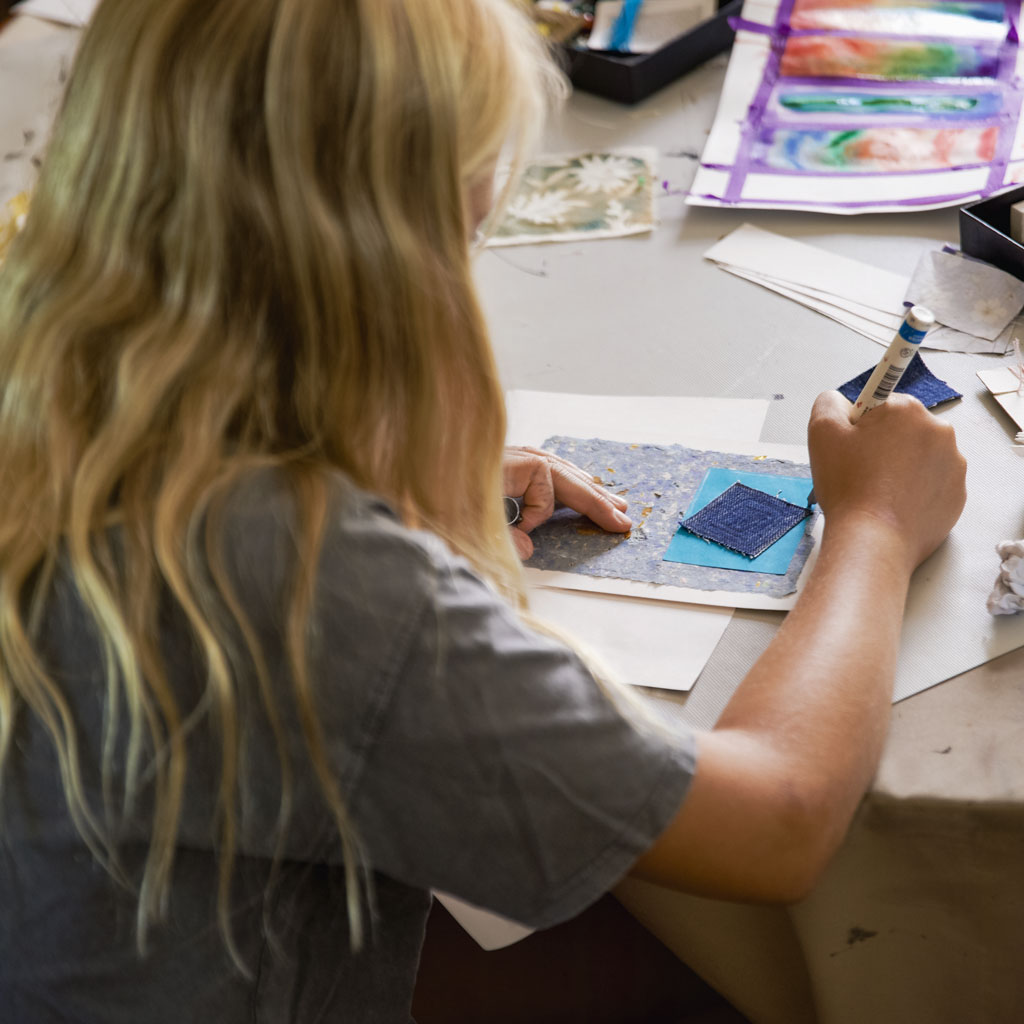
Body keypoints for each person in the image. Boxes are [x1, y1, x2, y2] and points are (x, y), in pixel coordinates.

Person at [0, 0, 966, 1021]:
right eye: (462, 230)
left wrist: (384, 492)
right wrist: (873, 528)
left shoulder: (48, 394)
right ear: (370, 255)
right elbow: (777, 820)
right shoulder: (312, 586)